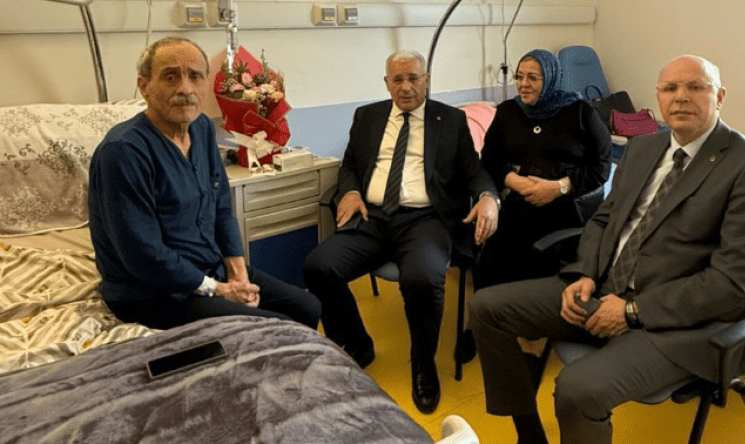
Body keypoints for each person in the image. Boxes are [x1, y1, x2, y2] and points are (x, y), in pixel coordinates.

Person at [469, 55, 745, 444]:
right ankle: (529, 434)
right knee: (486, 308)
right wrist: (586, 272)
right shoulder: (644, 148)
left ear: (719, 96)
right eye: (670, 88)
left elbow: (729, 285)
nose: (681, 97)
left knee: (576, 389)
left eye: (696, 87)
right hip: (604, 288)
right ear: (659, 96)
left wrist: (631, 311)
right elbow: (604, 220)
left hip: (681, 323)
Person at [302, 50, 500, 414]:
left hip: (426, 220)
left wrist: (489, 197)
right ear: (387, 83)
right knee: (318, 267)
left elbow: (474, 170)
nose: (406, 87)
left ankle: (423, 365)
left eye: (413, 78)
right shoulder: (367, 116)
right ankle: (357, 343)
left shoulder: (450, 120)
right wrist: (350, 191)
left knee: (423, 279)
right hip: (373, 216)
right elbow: (349, 165)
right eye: (398, 80)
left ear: (426, 80)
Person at [88, 36, 321, 331]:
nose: (185, 89)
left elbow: (221, 206)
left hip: (210, 266)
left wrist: (237, 272)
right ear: (144, 86)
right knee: (280, 329)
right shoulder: (123, 151)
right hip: (151, 292)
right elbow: (142, 254)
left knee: (307, 306)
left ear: (205, 83)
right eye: (170, 77)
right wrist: (218, 289)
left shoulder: (200, 128)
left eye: (195, 76)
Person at [475, 49, 611, 290]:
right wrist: (513, 180)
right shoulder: (508, 111)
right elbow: (489, 159)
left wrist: (559, 187)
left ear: (550, 78)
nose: (523, 84)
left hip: (566, 206)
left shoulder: (581, 113)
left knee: (537, 273)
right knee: (489, 269)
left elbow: (601, 167)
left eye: (533, 78)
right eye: (519, 77)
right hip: (517, 203)